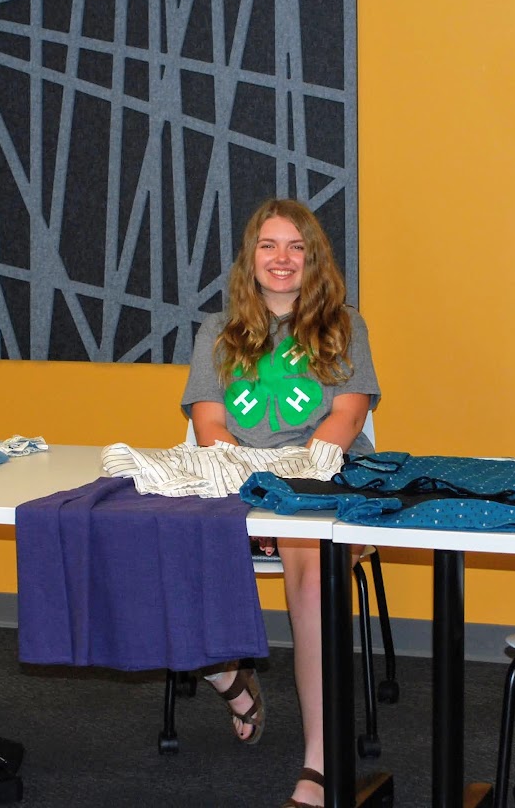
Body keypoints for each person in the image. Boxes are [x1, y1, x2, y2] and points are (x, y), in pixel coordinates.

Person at [181, 198, 379, 808]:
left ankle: (321, 760)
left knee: (314, 578)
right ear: (251, 258)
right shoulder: (217, 331)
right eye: (269, 245)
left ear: (314, 259)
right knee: (155, 539)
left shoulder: (344, 325)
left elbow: (347, 416)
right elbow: (210, 425)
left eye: (297, 246)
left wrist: (294, 479)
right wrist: (254, 484)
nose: (282, 258)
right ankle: (228, 673)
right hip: (240, 478)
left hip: (325, 475)